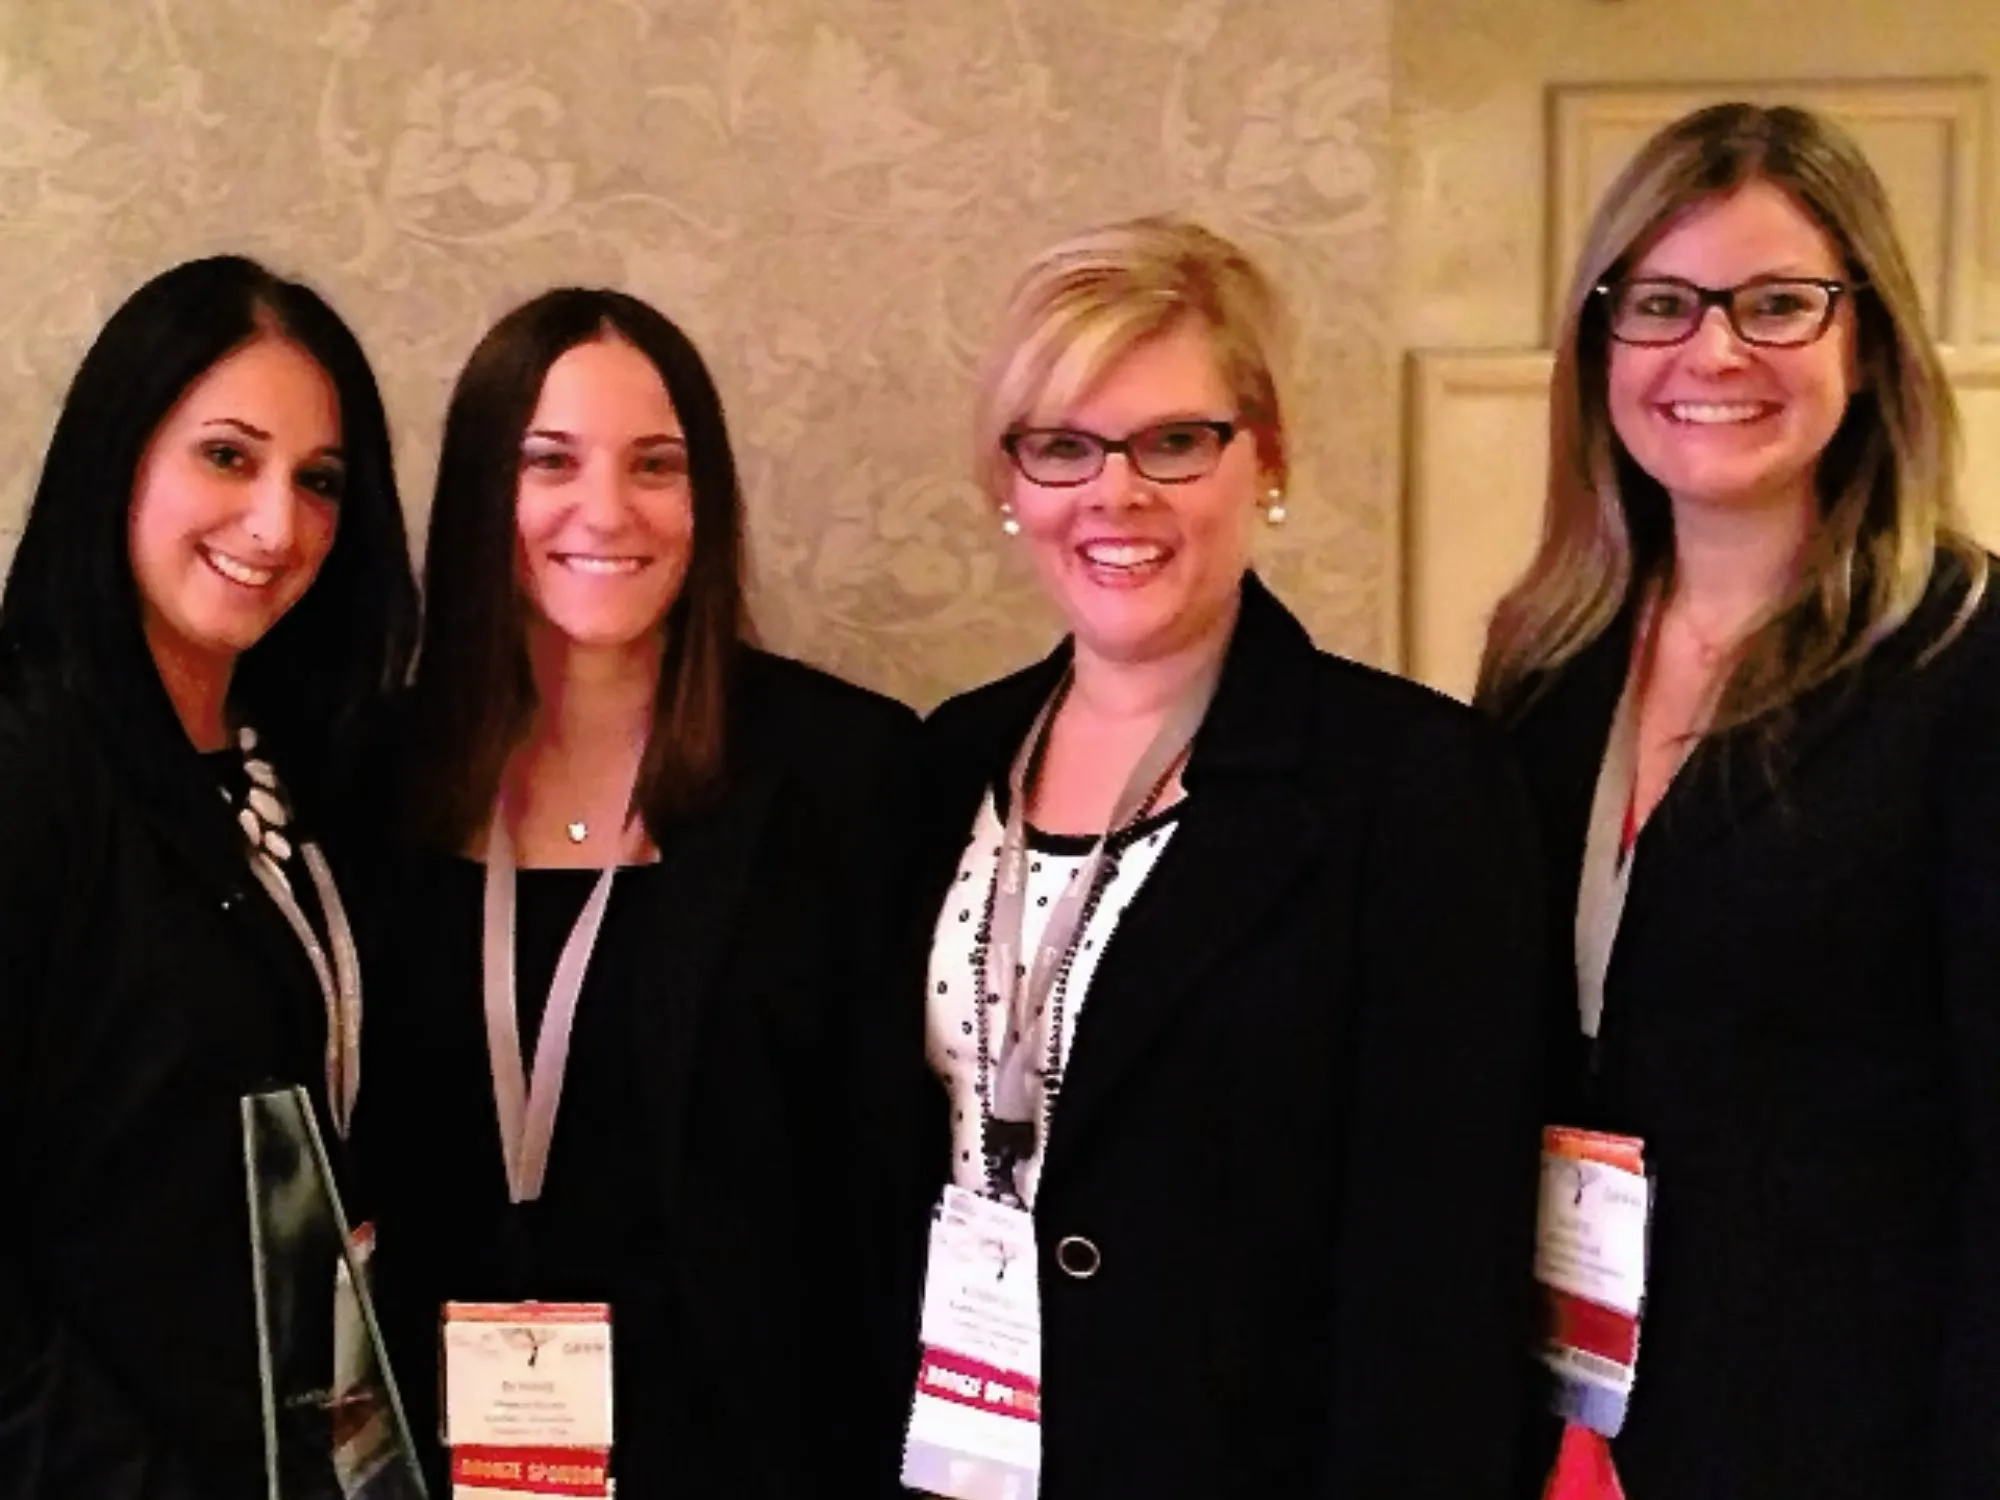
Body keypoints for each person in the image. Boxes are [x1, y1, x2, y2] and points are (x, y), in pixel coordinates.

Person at [901, 215, 1546, 1499]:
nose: (1115, 492)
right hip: (959, 1453)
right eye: (1063, 446)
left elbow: (1436, 1286)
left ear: (1266, 459)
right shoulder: (936, 767)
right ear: (1007, 482)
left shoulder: (1411, 789)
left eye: (1175, 441)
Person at [1477, 102, 2000, 1500]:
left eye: (1777, 303)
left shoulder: (1969, 660)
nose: (1714, 351)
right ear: (1600, 348)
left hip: (1843, 1429)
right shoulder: (1543, 660)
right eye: (1660, 304)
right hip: (1565, 1412)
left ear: (1869, 339)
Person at [353, 288, 918, 1500]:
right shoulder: (364, 781)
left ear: (704, 499)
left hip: (757, 1455)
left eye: (654, 465)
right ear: (474, 496)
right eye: (547, 462)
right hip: (430, 1455)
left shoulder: (844, 774)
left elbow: (886, 1198)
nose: (605, 511)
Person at [0, 255, 418, 1498]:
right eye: (227, 457)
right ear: (117, 454)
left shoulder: (301, 762)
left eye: (320, 481)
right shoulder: (31, 771)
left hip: (303, 1446)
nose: (276, 524)